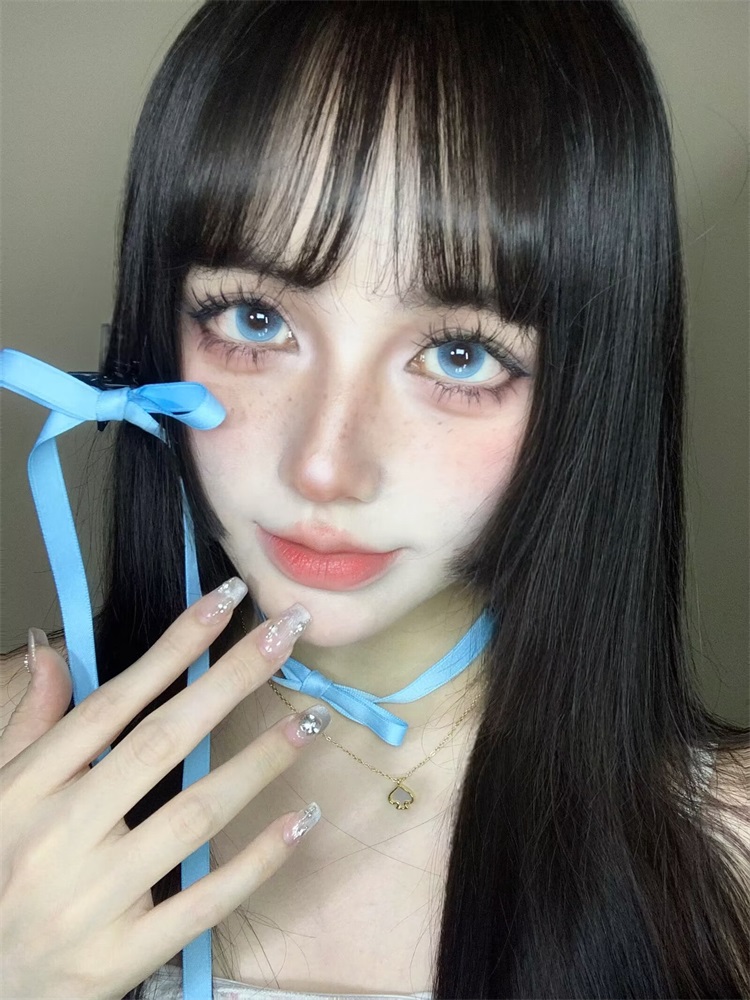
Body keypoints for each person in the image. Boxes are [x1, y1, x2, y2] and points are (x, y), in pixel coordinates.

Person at [1, 2, 748, 999]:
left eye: (460, 354)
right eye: (254, 319)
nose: (324, 467)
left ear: (589, 385)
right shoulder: (13, 752)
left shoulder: (728, 851)